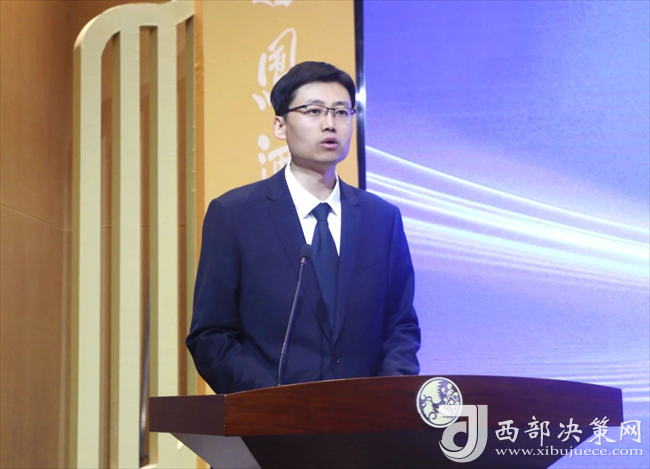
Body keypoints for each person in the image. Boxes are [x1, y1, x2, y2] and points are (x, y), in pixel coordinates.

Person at [187, 61, 420, 394]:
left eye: (341, 112)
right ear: (280, 126)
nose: (330, 124)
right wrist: (270, 401)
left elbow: (401, 324)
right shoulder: (236, 215)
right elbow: (211, 335)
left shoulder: (381, 218)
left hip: (367, 415)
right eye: (314, 111)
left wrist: (387, 395)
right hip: (273, 415)